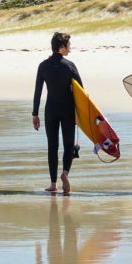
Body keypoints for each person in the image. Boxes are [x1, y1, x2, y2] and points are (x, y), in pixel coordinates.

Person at [32, 32, 83, 194]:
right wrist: (80, 114)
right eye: (69, 45)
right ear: (62, 47)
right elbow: (81, 92)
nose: (70, 48)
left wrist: (35, 114)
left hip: (50, 110)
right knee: (69, 145)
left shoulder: (43, 66)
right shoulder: (70, 65)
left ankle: (53, 184)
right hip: (68, 109)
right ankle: (65, 173)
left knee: (52, 146)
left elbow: (38, 92)